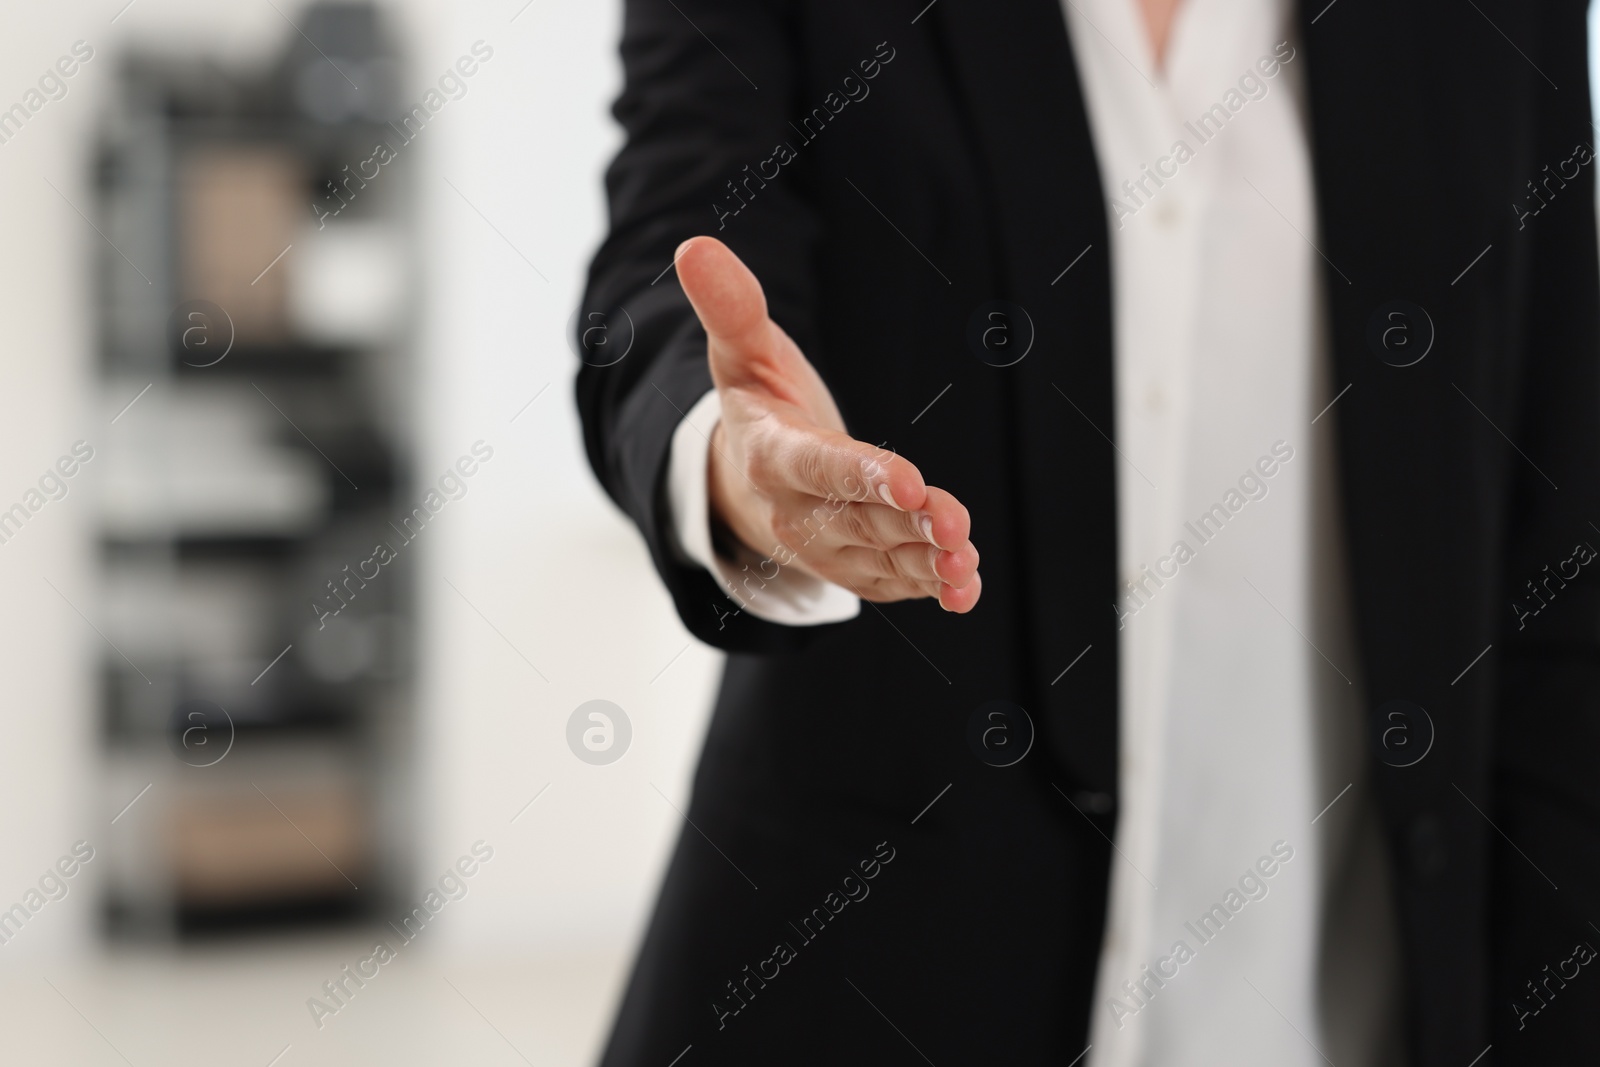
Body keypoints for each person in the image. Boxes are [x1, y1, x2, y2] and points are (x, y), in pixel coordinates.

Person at [576, 0, 1600, 1063]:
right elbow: (670, 255)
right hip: (865, 973)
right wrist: (732, 460)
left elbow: (1557, 548)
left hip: (1338, 1005)